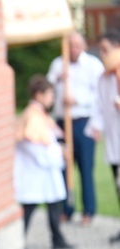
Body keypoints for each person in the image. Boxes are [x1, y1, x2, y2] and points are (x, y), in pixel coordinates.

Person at [47, 31, 105, 225]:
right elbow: (46, 91)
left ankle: (89, 210)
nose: (74, 49)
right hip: (63, 122)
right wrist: (57, 80)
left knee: (85, 168)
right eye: (70, 45)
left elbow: (100, 95)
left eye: (78, 45)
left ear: (84, 46)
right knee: (63, 167)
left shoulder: (93, 66)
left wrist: (77, 100)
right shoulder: (57, 64)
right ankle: (66, 209)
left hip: (83, 120)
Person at [14, 75, 75, 249]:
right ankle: (18, 242)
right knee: (30, 207)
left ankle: (57, 238)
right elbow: (35, 148)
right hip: (36, 171)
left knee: (54, 203)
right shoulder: (32, 116)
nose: (52, 99)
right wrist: (58, 156)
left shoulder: (39, 114)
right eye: (50, 95)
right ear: (39, 95)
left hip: (45, 171)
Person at [86, 29, 120, 243]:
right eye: (100, 50)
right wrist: (96, 126)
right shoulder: (104, 79)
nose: (102, 54)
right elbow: (99, 107)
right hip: (114, 143)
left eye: (105, 50)